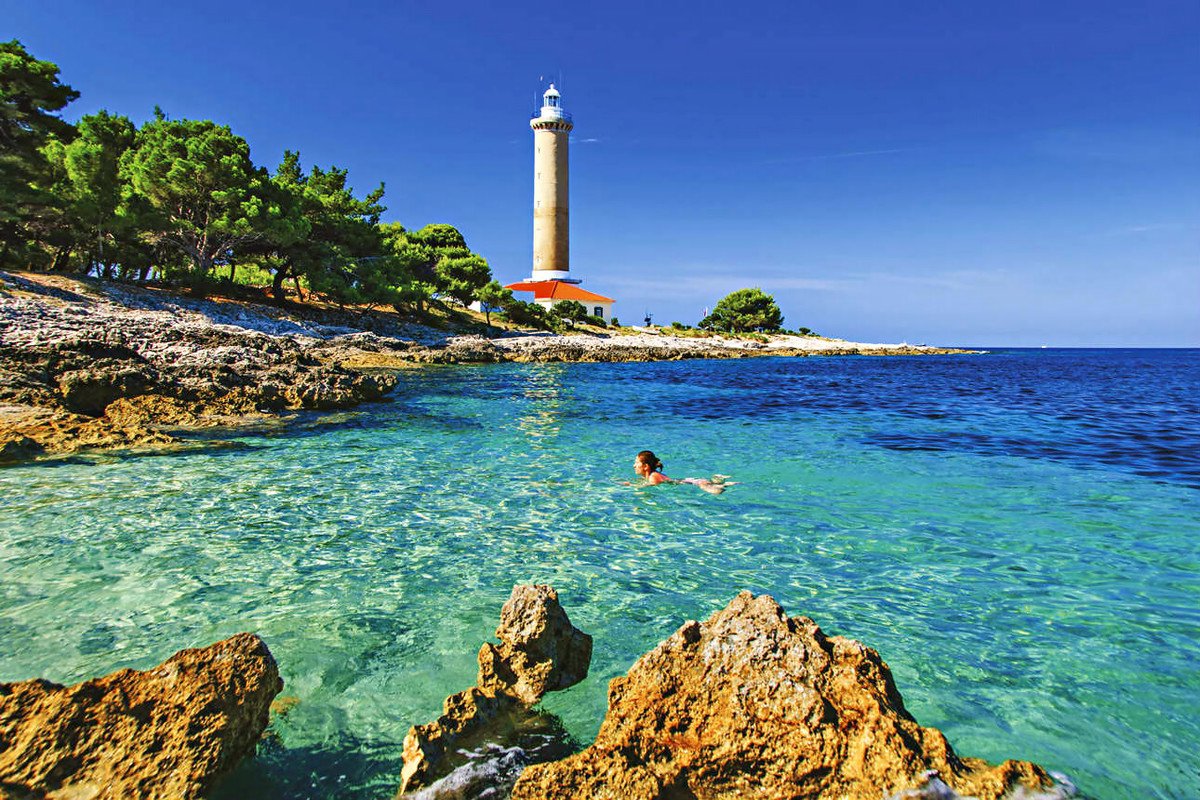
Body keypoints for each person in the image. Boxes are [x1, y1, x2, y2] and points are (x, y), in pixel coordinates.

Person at [632, 450, 734, 495]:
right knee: (718, 485)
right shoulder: (652, 475)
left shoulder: (653, 476)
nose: (634, 465)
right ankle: (720, 480)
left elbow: (648, 487)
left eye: (636, 463)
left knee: (717, 492)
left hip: (694, 483)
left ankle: (721, 482)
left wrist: (631, 486)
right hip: (690, 481)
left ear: (645, 466)